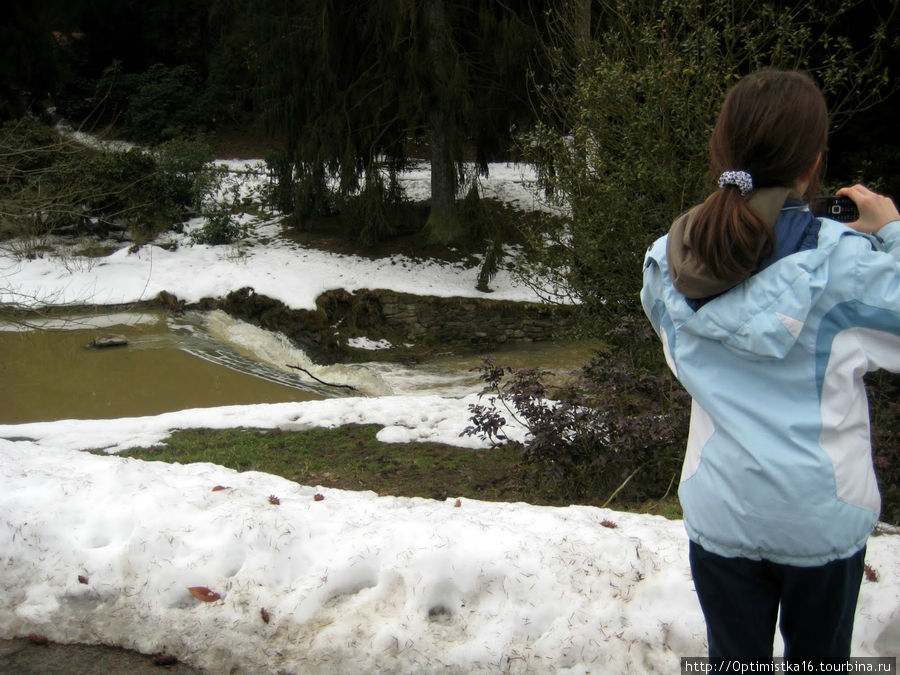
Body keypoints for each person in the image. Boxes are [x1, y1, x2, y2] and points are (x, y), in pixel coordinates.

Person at [640, 68, 900, 662]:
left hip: (722, 511)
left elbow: (688, 350)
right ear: (812, 163)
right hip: (821, 520)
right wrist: (892, 233)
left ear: (723, 152)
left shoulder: (665, 262)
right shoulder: (845, 267)